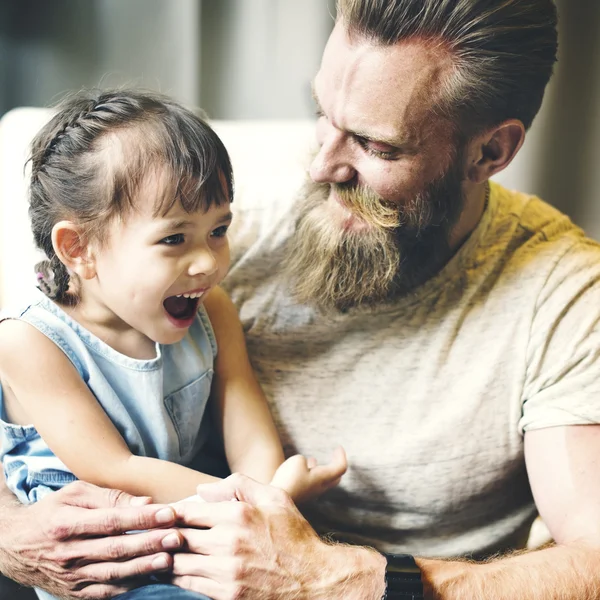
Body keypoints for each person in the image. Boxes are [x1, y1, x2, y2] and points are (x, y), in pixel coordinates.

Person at [2, 0, 600, 598]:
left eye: (375, 145)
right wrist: (8, 526)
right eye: (321, 113)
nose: (320, 166)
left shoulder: (566, 299)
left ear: (490, 152)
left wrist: (346, 583)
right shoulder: (224, 236)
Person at [0, 90, 346, 600]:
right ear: (80, 249)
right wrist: (258, 498)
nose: (208, 262)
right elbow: (113, 469)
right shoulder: (29, 340)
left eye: (219, 230)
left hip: (200, 521)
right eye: (174, 239)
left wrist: (266, 492)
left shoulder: (213, 310)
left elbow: (245, 422)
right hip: (107, 556)